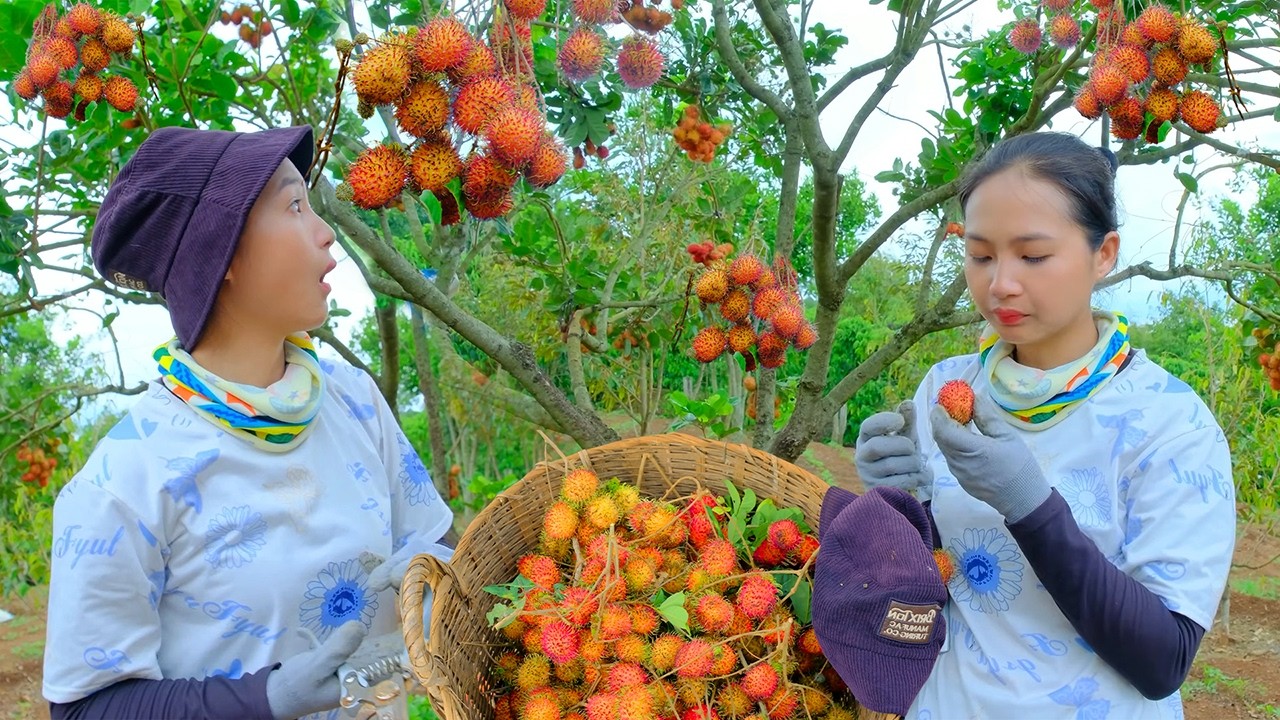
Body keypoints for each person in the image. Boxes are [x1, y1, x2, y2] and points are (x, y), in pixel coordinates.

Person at [42, 125, 456, 720]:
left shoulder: (353, 399)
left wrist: (440, 580)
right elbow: (84, 708)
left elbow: (432, 545)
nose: (325, 235)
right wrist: (267, 698)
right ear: (222, 251)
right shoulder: (127, 477)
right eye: (294, 205)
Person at [851, 131, 1236, 719]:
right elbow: (934, 575)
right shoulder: (948, 386)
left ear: (1104, 254)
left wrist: (1029, 504)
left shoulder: (1170, 424)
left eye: (1032, 256)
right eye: (981, 255)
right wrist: (896, 503)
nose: (1000, 282)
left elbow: (1162, 662)